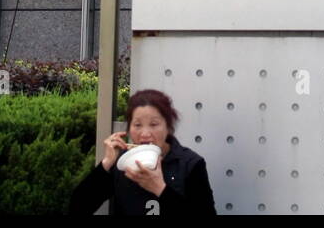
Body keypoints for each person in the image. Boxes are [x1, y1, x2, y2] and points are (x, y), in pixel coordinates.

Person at [69, 88, 216, 216]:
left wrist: (160, 189)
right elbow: (77, 207)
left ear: (168, 127)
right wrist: (106, 163)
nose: (145, 133)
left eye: (154, 124)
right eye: (137, 125)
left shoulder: (190, 164)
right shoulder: (121, 164)